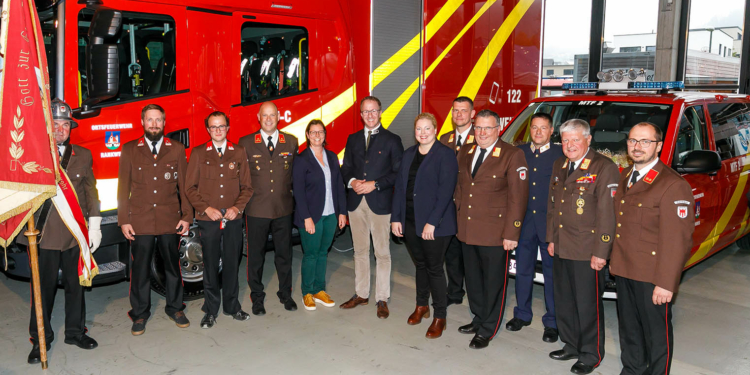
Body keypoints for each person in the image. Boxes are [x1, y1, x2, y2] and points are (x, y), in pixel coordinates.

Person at [19, 99, 101, 364]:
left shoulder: (83, 155)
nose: (61, 129)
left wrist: (96, 224)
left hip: (73, 233)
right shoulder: (32, 155)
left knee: (77, 286)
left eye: (65, 124)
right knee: (42, 291)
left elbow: (90, 192)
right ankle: (40, 339)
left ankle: (76, 332)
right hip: (42, 235)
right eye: (55, 124)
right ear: (47, 126)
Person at [610, 122, 695, 375]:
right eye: (633, 141)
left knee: (656, 333)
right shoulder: (625, 175)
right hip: (625, 268)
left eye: (645, 142)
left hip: (652, 274)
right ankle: (632, 369)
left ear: (658, 145)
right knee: (629, 328)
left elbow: (677, 240)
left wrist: (666, 283)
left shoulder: (671, 184)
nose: (637, 147)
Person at [546, 119, 619, 375]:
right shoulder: (560, 164)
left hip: (587, 251)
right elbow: (553, 207)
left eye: (575, 139)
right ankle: (572, 344)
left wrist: (602, 253)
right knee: (564, 300)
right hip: (563, 245)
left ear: (588, 140)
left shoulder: (603, 167)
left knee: (587, 304)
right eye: (565, 140)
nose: (570, 145)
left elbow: (608, 216)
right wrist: (552, 239)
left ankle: (590, 353)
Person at [454, 109, 528, 349]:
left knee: (494, 283)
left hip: (496, 233)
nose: (482, 132)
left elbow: (518, 199)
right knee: (473, 281)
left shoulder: (512, 154)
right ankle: (478, 318)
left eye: (488, 128)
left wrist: (511, 233)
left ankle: (488, 328)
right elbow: (460, 189)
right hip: (467, 229)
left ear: (498, 129)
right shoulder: (466, 150)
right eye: (478, 127)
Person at [117, 103, 192, 336]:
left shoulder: (177, 149)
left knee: (172, 266)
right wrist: (123, 220)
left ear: (164, 121)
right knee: (139, 269)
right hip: (140, 220)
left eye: (158, 120)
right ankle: (139, 314)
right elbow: (123, 188)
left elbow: (185, 187)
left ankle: (175, 308)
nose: (154, 124)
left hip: (170, 219)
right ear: (142, 122)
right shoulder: (130, 149)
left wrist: (187, 216)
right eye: (149, 120)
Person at [391, 113, 458, 338]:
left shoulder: (445, 155)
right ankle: (422, 306)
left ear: (435, 129)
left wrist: (432, 223)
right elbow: (400, 189)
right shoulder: (409, 154)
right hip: (410, 219)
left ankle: (440, 316)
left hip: (435, 224)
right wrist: (396, 218)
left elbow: (445, 192)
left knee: (434, 268)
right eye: (418, 129)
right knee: (420, 265)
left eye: (427, 128)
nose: (422, 133)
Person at [185, 111, 254, 328]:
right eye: (213, 127)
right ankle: (211, 310)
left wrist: (237, 207)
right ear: (208, 130)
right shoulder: (198, 153)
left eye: (221, 126)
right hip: (209, 219)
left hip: (233, 219)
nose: (217, 131)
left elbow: (247, 187)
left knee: (232, 264)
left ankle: (232, 306)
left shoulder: (239, 152)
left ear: (228, 128)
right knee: (211, 266)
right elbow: (190, 188)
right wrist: (206, 209)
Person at [339, 96, 404, 319]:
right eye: (365, 112)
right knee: (359, 251)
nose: (369, 115)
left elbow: (398, 173)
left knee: (382, 253)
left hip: (380, 203)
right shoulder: (352, 139)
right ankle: (361, 293)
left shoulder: (392, 140)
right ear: (360, 114)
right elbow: (346, 168)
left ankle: (382, 298)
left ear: (380, 112)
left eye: (373, 111)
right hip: (355, 203)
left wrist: (374, 184)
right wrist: (352, 182)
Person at [506, 112, 563, 343]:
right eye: (534, 128)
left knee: (551, 274)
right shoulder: (518, 153)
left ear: (551, 131)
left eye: (543, 128)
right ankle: (522, 314)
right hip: (525, 222)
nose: (538, 132)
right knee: (523, 270)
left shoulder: (561, 154)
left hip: (549, 224)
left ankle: (552, 322)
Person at [238, 101, 299, 315]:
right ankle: (257, 297)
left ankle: (285, 293)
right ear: (258, 117)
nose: (269, 119)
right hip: (256, 210)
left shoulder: (291, 141)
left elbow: (293, 176)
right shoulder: (245, 143)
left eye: (272, 115)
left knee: (285, 255)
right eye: (265, 115)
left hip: (283, 209)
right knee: (256, 257)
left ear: (279, 116)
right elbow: (241, 178)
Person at [292, 120, 347, 311]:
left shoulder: (332, 157)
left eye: (320, 132)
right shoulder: (301, 159)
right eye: (313, 132)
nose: (317, 135)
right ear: (307, 135)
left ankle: (319, 289)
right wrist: (306, 217)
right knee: (311, 254)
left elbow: (339, 186)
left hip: (331, 214)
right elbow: (298, 191)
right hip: (311, 216)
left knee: (323, 252)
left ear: (324, 135)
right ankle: (307, 292)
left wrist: (342, 212)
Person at [438, 96, 476, 306]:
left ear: (472, 114)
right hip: (449, 207)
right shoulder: (444, 140)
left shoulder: (480, 138)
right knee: (451, 253)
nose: (459, 114)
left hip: (470, 206)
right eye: (455, 110)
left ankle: (474, 295)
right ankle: (454, 292)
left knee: (469, 255)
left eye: (463, 110)